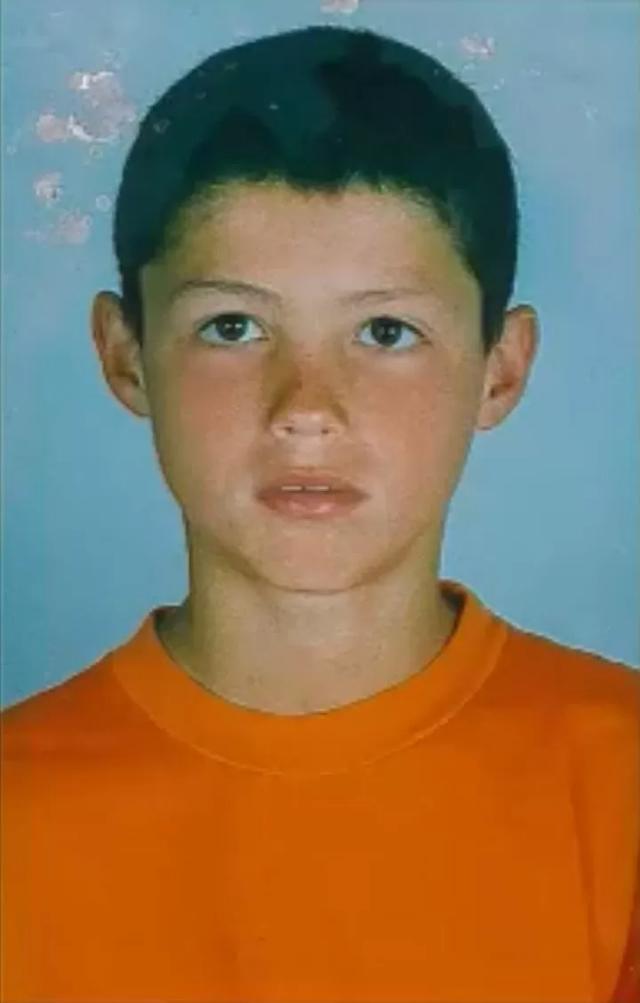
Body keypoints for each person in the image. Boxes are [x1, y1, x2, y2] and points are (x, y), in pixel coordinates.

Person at [1, 24, 638, 1003]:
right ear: (125, 355)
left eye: (386, 330)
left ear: (500, 369)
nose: (306, 407)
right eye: (233, 326)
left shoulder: (619, 785)